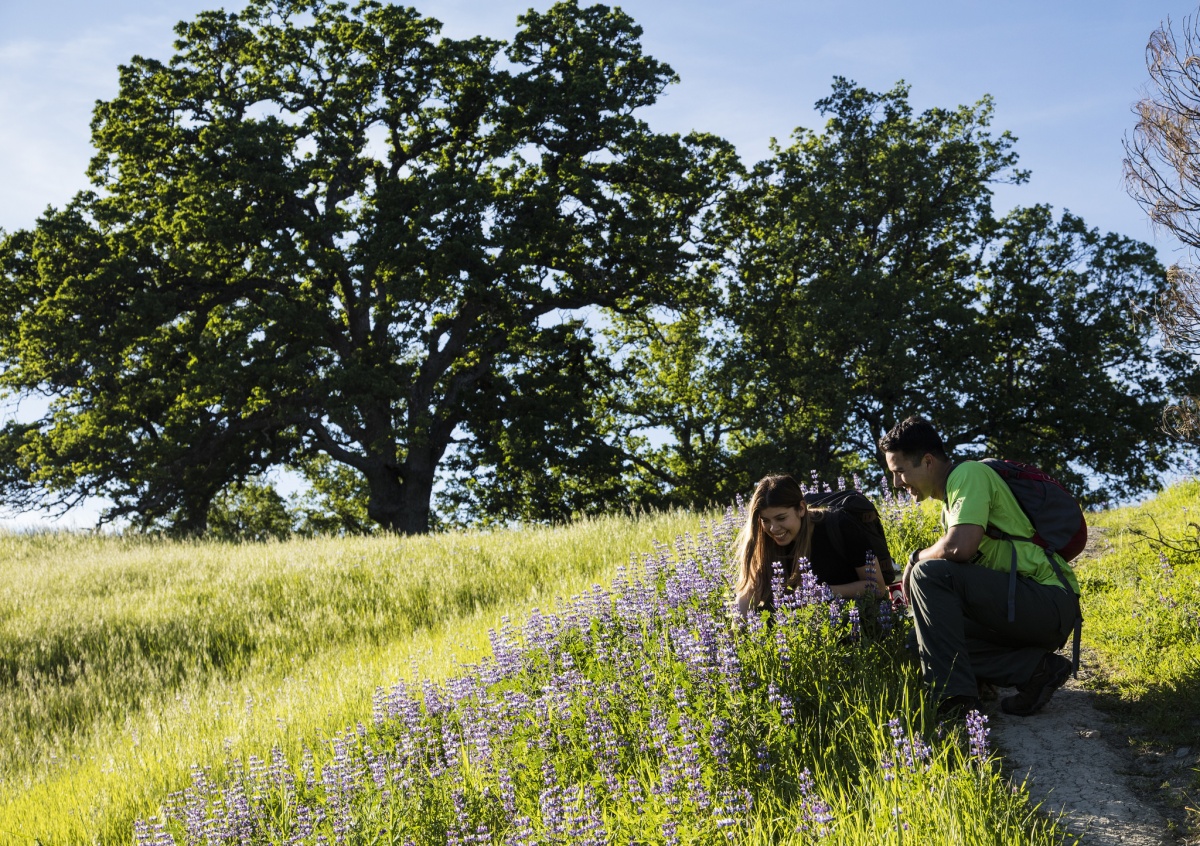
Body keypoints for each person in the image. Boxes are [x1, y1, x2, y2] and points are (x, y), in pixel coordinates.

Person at [878, 416, 1081, 720]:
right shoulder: (950, 503)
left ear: (928, 461)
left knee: (927, 573)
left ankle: (955, 702)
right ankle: (1037, 671)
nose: (896, 483)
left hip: (1047, 599)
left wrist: (915, 558)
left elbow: (961, 546)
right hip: (1019, 610)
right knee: (920, 639)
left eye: (900, 471)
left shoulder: (968, 474)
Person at [734, 474, 889, 616]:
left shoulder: (840, 526)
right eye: (765, 520)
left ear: (801, 508)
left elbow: (878, 587)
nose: (773, 528)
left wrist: (824, 593)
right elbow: (749, 591)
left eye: (781, 518)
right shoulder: (766, 541)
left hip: (854, 616)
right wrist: (735, 634)